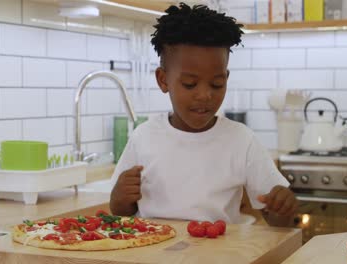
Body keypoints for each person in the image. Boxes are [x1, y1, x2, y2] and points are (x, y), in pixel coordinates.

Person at [109, 2, 298, 227]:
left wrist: (282, 207)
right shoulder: (144, 136)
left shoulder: (241, 139)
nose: (204, 95)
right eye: (190, 84)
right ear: (163, 80)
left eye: (217, 84)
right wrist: (120, 197)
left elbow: (277, 221)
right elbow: (120, 210)